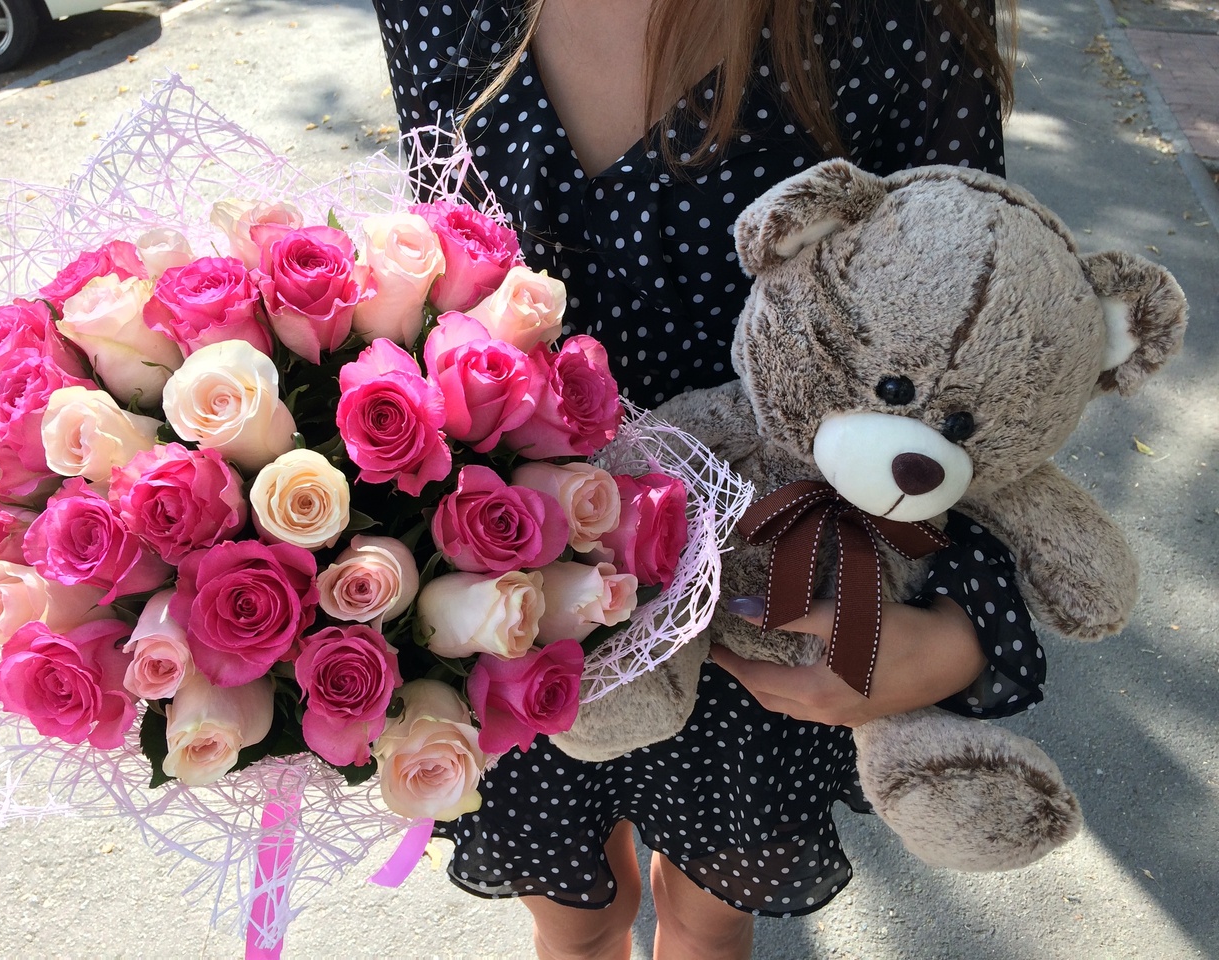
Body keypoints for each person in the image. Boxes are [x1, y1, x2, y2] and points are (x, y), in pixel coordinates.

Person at [371, 2, 1043, 958]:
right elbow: (439, 273)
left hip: (773, 595)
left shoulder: (887, 16)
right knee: (575, 926)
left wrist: (961, 631)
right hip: (509, 599)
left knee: (706, 923)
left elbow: (983, 341)